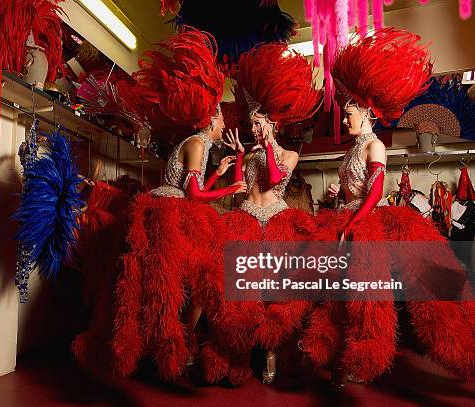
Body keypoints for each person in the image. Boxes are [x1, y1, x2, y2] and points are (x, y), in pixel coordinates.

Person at [301, 28, 474, 391]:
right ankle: (336, 356)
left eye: (347, 111)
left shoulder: (375, 146)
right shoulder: (354, 149)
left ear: (364, 112)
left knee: (372, 296)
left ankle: (368, 357)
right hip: (345, 220)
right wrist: (337, 193)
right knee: (337, 296)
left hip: (365, 225)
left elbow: (376, 191)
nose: (343, 117)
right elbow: (355, 186)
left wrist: (352, 222)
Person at [73, 28, 246, 381]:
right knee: (191, 281)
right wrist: (229, 191)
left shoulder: (198, 144)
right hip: (170, 216)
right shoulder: (198, 144)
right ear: (212, 118)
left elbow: (191, 185)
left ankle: (177, 345)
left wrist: (219, 175)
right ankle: (173, 347)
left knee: (189, 282)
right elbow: (194, 195)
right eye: (222, 117)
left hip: (171, 208)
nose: (225, 122)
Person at [197, 42, 322, 386]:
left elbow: (277, 178)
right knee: (240, 289)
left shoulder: (290, 154)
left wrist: (267, 146)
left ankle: (272, 352)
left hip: (278, 223)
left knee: (278, 291)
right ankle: (237, 352)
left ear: (272, 124)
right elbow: (240, 186)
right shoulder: (251, 152)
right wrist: (238, 156)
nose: (253, 129)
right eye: (251, 124)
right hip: (247, 220)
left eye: (258, 124)